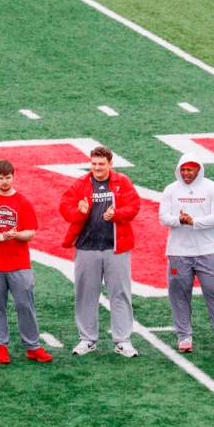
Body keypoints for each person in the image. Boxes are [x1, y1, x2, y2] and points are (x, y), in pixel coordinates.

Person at [59, 146, 140, 358]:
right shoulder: (81, 183)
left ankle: (123, 340)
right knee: (86, 293)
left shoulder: (122, 182)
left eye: (101, 164)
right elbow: (64, 207)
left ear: (110, 164)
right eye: (94, 164)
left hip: (116, 247)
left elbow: (134, 206)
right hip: (87, 246)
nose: (97, 168)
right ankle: (87, 339)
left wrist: (116, 214)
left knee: (120, 293)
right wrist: (79, 211)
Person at [158, 155, 214, 353]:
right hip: (178, 252)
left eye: (190, 169)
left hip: (208, 250)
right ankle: (184, 337)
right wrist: (179, 220)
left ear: (198, 169)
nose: (185, 173)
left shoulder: (213, 188)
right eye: (183, 169)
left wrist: (194, 222)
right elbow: (163, 217)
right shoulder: (171, 189)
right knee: (179, 295)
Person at [0, 160, 52, 364]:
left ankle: (33, 346)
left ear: (13, 176)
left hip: (19, 264)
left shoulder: (23, 202)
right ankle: (1, 346)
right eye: (0, 178)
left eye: (8, 177)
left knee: (25, 305)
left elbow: (30, 232)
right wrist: (1, 237)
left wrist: (15, 234)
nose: (4, 182)